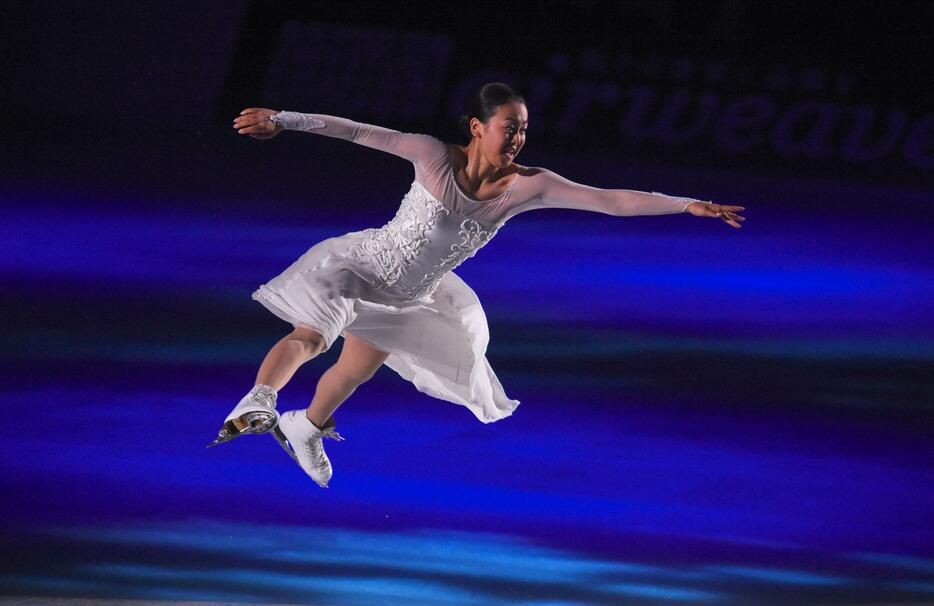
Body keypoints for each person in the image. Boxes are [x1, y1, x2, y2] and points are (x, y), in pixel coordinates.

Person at [208, 82, 745, 488]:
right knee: (315, 336)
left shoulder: (528, 187)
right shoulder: (431, 156)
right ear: (477, 128)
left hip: (408, 297)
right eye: (508, 126)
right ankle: (258, 402)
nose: (517, 137)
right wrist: (283, 119)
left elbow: (609, 199)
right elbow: (355, 130)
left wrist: (686, 205)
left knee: (352, 374)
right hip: (357, 267)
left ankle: (305, 428)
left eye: (524, 128)